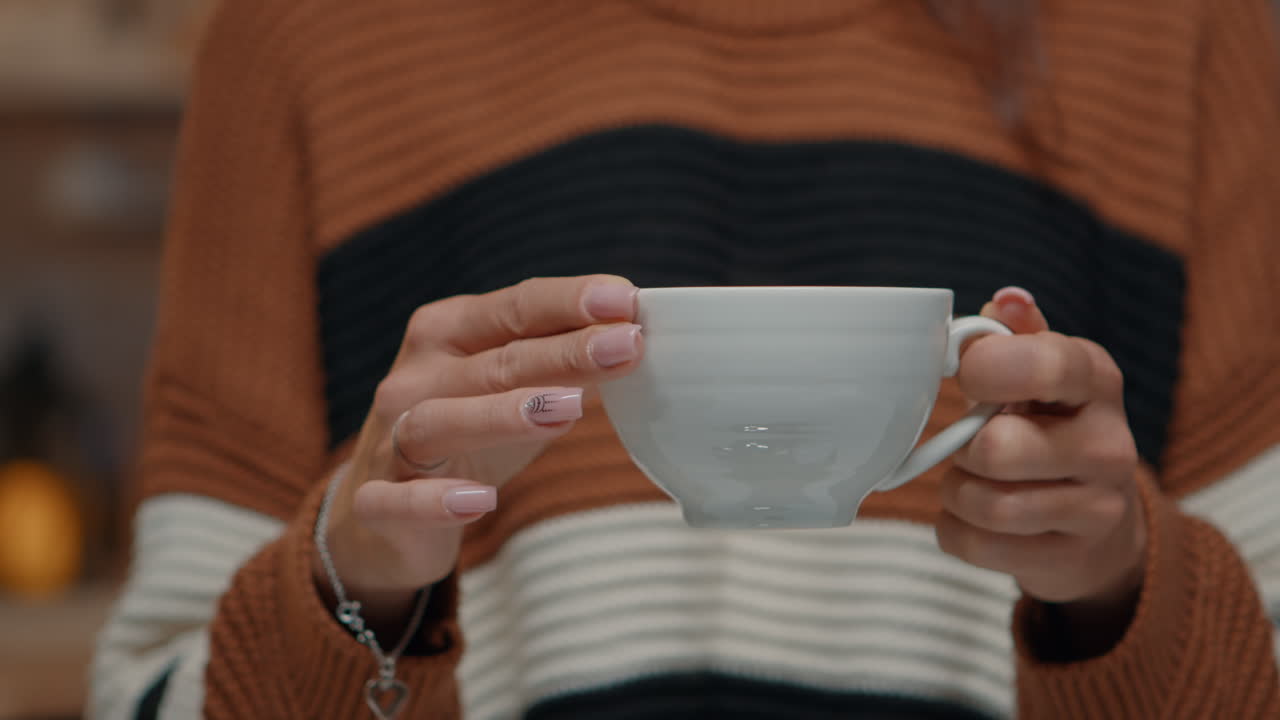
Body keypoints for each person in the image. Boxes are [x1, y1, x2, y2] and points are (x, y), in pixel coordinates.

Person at [90, 0, 1280, 718]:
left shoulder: (1177, 34)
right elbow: (150, 695)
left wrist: (1122, 590)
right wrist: (351, 585)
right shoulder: (304, 37)